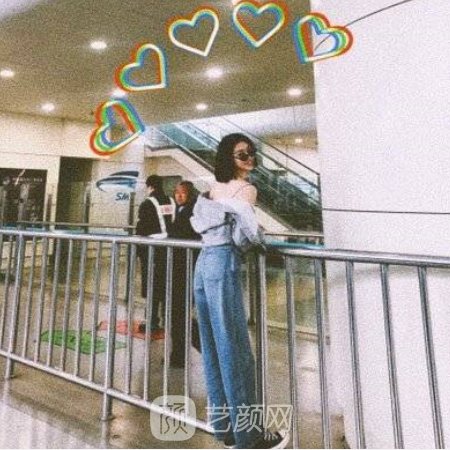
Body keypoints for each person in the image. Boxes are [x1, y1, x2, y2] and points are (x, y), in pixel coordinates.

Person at [191, 134, 290, 449]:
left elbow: (200, 223)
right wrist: (261, 236)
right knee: (235, 350)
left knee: (213, 350)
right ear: (229, 158)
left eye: (251, 153)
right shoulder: (247, 189)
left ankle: (226, 430)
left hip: (202, 264)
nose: (250, 159)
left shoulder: (211, 189)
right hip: (224, 264)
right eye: (242, 154)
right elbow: (247, 236)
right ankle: (251, 436)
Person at [167, 181, 202, 368]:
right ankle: (178, 355)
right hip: (182, 266)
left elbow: (183, 235)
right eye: (177, 192)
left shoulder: (190, 211)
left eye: (183, 193)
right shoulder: (182, 210)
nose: (179, 196)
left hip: (184, 267)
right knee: (179, 313)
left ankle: (197, 349)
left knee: (179, 313)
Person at [136, 175, 175, 332]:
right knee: (168, 285)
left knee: (152, 286)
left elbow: (141, 228)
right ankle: (168, 319)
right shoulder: (172, 201)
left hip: (152, 251)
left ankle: (151, 321)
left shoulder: (147, 203)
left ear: (150, 186)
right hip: (171, 249)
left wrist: (139, 252)